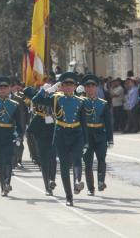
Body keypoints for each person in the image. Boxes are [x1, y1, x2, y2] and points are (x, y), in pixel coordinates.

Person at [32, 72, 87, 206]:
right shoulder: (56, 98)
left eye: (71, 85)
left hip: (76, 133)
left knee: (77, 159)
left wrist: (86, 141)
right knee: (64, 166)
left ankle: (77, 181)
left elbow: (84, 122)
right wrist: (48, 90)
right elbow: (36, 100)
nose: (68, 87)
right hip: (61, 133)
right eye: (65, 85)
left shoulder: (81, 101)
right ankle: (69, 196)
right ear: (61, 86)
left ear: (75, 86)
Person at [23, 82, 59, 196]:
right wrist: (43, 91)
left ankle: (52, 179)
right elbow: (29, 94)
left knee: (53, 156)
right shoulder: (38, 96)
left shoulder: (56, 97)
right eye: (46, 90)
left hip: (53, 127)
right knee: (44, 159)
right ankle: (47, 185)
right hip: (40, 129)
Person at [82, 75, 114, 196]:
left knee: (101, 159)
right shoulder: (81, 102)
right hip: (87, 135)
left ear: (97, 88)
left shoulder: (103, 104)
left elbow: (108, 123)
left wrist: (110, 139)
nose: (90, 89)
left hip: (100, 135)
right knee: (88, 163)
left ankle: (101, 181)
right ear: (85, 89)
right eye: (88, 86)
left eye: (93, 86)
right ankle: (91, 188)